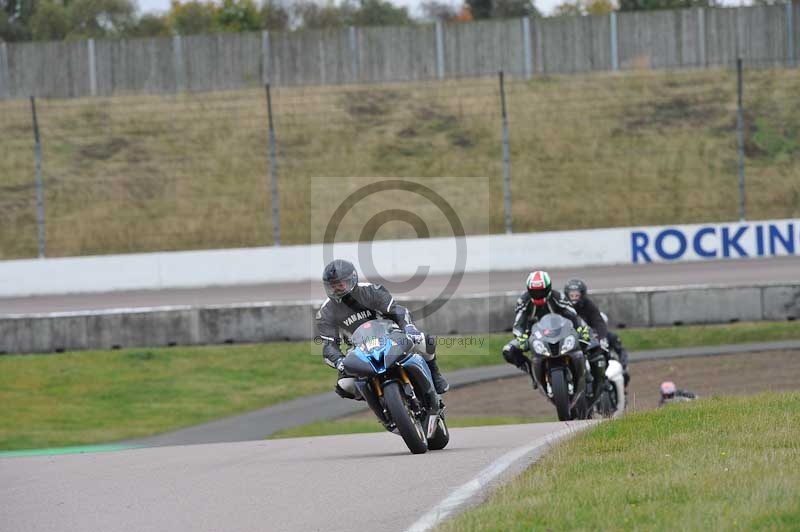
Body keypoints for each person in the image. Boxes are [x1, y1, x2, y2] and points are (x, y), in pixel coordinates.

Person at [315, 259, 449, 400]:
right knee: (345, 385)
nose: (336, 289)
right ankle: (379, 404)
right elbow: (329, 344)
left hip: (390, 335)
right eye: (333, 286)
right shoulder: (326, 312)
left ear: (352, 279)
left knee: (424, 340)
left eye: (340, 284)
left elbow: (396, 310)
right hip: (357, 349)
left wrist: (408, 328)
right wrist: (339, 361)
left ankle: (435, 373)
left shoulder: (371, 290)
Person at [501, 270, 597, 391]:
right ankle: (530, 369)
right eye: (534, 292)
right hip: (535, 337)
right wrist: (520, 338)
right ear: (529, 290)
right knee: (508, 350)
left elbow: (573, 315)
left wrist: (580, 330)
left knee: (585, 340)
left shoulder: (558, 297)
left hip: (561, 333)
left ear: (548, 288)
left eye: (541, 291)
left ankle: (585, 371)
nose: (538, 294)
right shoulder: (523, 301)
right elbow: (518, 324)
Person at [563, 278, 631, 391]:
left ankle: (601, 379)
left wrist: (601, 338)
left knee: (600, 352)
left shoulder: (589, 305)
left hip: (587, 339)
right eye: (572, 295)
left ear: (582, 294)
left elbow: (598, 322)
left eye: (577, 295)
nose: (574, 297)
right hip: (568, 340)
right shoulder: (563, 306)